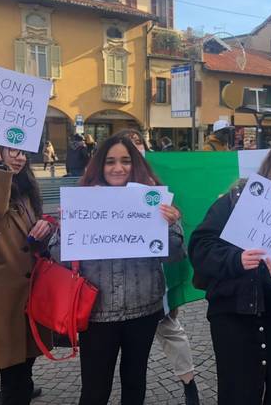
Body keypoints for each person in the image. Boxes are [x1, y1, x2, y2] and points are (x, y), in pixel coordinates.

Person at [49, 135, 185, 405]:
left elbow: (174, 255)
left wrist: (170, 224)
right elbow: (57, 255)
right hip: (97, 312)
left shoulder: (153, 199)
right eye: (110, 161)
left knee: (135, 383)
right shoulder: (83, 199)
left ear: (135, 165)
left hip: (143, 308)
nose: (118, 168)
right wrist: (65, 229)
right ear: (100, 165)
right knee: (94, 388)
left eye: (125, 161)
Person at [189, 136, 271, 405]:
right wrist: (236, 259)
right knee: (238, 394)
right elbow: (200, 246)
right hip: (235, 316)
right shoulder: (237, 197)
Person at [116, 129, 200, 404]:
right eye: (128, 144)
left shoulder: (155, 184)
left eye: (138, 143)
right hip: (115, 286)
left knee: (169, 328)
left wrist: (173, 218)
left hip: (152, 279)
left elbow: (173, 232)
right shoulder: (103, 186)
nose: (134, 148)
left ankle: (189, 383)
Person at [0, 134, 54, 405]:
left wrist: (45, 228)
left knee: (19, 382)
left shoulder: (24, 189)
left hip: (22, 304)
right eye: (12, 150)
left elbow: (31, 234)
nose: (20, 157)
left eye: (24, 151)